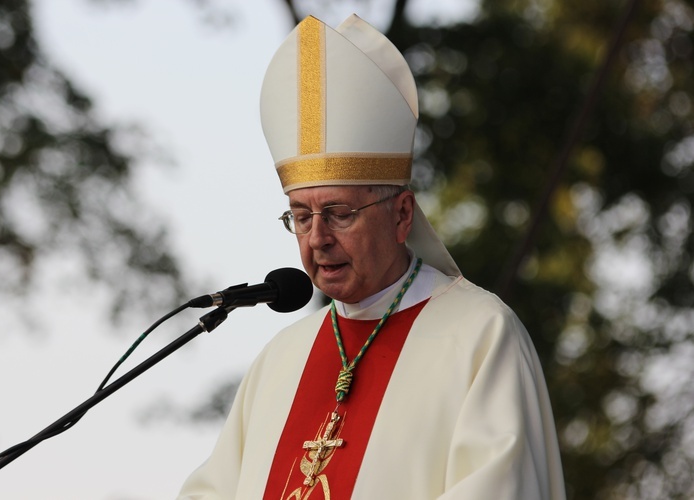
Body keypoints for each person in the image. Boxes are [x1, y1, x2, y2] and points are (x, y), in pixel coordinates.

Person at [178, 14, 566, 499]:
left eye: (338, 213)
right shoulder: (281, 360)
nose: (317, 237)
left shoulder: (480, 337)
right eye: (301, 216)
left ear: (402, 214)